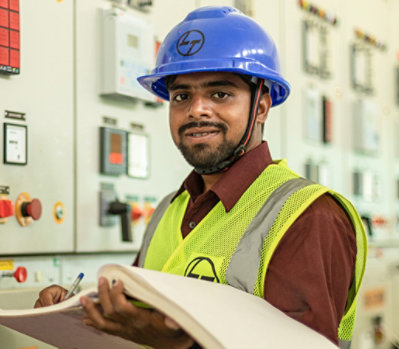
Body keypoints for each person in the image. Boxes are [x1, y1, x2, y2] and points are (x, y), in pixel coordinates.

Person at [35, 6, 367, 349]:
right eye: (181, 96)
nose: (196, 110)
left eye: (220, 94)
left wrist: (181, 344)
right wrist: (82, 308)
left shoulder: (307, 216)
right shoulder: (170, 209)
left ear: (262, 106)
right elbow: (139, 316)